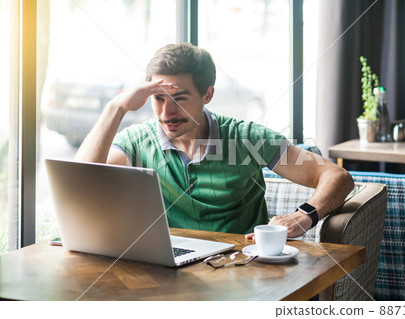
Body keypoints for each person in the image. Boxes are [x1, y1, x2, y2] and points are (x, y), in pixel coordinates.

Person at [75, 43, 354, 239]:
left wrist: (304, 215)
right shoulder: (137, 142)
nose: (166, 112)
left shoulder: (247, 138)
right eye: (158, 98)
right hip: (166, 273)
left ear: (207, 95)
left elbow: (336, 175)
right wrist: (116, 108)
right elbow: (81, 184)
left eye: (179, 99)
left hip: (239, 271)